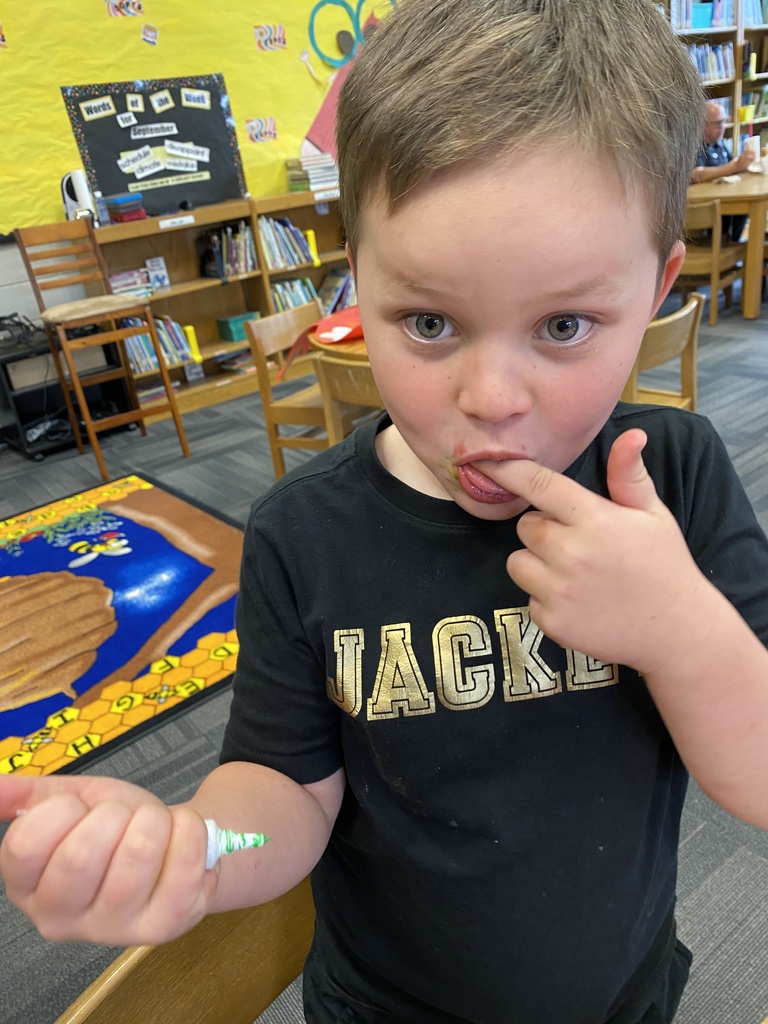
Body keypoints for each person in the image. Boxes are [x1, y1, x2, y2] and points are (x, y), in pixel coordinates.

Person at [3, 3, 768, 1023]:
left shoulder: (671, 479)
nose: (492, 397)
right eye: (429, 321)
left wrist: (678, 627)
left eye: (567, 324)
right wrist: (199, 845)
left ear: (659, 287)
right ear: (356, 283)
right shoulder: (301, 536)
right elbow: (279, 799)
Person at [690, 100, 752, 241]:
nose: (722, 127)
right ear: (702, 124)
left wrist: (745, 162)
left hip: (725, 199)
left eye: (724, 122)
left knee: (743, 210)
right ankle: (727, 247)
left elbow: (734, 164)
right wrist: (734, 167)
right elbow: (696, 175)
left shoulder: (719, 143)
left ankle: (732, 245)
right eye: (717, 123)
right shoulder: (695, 145)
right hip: (703, 208)